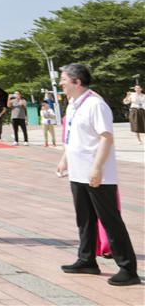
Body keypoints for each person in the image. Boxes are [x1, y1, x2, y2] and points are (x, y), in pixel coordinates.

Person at [56, 63, 140, 286]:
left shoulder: (95, 104)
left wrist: (97, 167)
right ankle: (87, 260)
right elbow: (71, 135)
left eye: (64, 79)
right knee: (84, 219)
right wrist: (65, 158)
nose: (61, 83)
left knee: (110, 221)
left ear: (77, 82)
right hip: (77, 172)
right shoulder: (73, 105)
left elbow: (106, 137)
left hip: (96, 174)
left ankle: (128, 269)